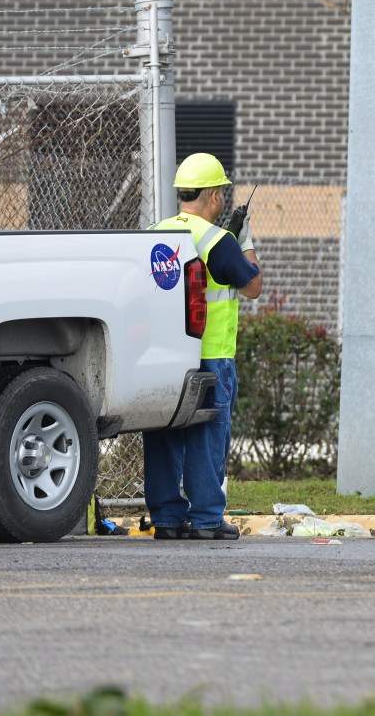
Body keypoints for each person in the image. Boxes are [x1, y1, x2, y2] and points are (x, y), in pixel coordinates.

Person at [143, 152, 262, 541]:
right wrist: (245, 241)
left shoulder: (156, 232)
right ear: (212, 196)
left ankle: (166, 517)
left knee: (163, 430)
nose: (224, 201)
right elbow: (253, 286)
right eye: (222, 193)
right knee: (207, 434)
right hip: (210, 355)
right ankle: (208, 518)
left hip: (161, 355)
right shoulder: (219, 240)